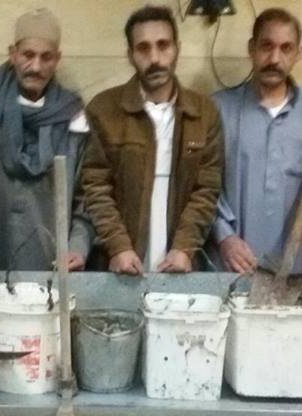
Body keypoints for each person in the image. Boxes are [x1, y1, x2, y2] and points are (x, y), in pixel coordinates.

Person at [81, 4, 222, 275]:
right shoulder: (104, 109)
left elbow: (206, 190)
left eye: (163, 45)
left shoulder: (204, 113)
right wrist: (118, 247)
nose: (155, 58)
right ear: (130, 55)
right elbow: (95, 186)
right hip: (120, 266)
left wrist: (184, 248)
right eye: (143, 48)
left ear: (177, 48)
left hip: (180, 264)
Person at [210, 8, 302, 280]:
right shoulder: (219, 109)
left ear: (298, 53)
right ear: (252, 48)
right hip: (231, 266)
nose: (274, 58)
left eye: (286, 48)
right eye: (266, 46)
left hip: (295, 268)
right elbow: (204, 183)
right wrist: (224, 236)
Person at [0, 8, 93, 271]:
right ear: (12, 54)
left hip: (54, 268)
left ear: (57, 59)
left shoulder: (74, 118)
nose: (36, 67)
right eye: (28, 55)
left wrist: (78, 246)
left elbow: (88, 194)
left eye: (46, 57)